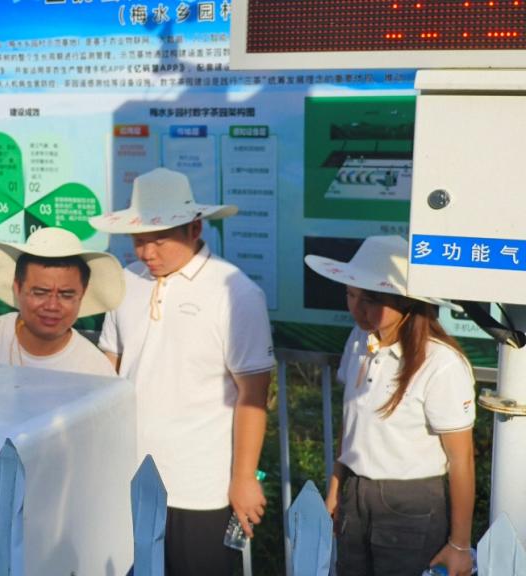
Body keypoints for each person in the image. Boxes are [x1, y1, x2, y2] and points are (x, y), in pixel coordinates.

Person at [90, 167, 275, 575]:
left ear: (194, 229)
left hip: (200, 486)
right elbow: (109, 367)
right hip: (129, 476)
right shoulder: (125, 282)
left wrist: (244, 477)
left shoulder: (235, 291)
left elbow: (253, 393)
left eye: (159, 240)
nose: (146, 252)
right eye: (139, 239)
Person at [306, 235, 476, 576]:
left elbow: (461, 459)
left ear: (406, 302)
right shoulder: (359, 339)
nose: (357, 309)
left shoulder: (441, 362)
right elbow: (351, 424)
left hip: (411, 502)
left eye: (371, 300)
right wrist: (336, 490)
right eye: (351, 295)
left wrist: (459, 544)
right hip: (356, 491)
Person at [0, 227, 123, 377]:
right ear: (17, 287)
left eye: (66, 295)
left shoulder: (95, 370)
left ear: (82, 294)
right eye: (40, 293)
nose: (52, 306)